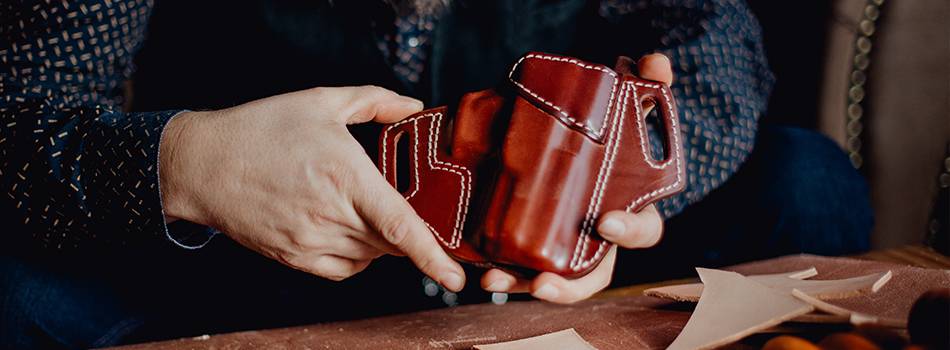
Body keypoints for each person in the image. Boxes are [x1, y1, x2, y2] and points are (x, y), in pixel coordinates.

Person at [0, 0, 872, 348]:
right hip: (235, 254)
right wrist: (185, 161)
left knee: (810, 187)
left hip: (540, 245)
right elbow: (21, 105)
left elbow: (715, 35)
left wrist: (621, 190)